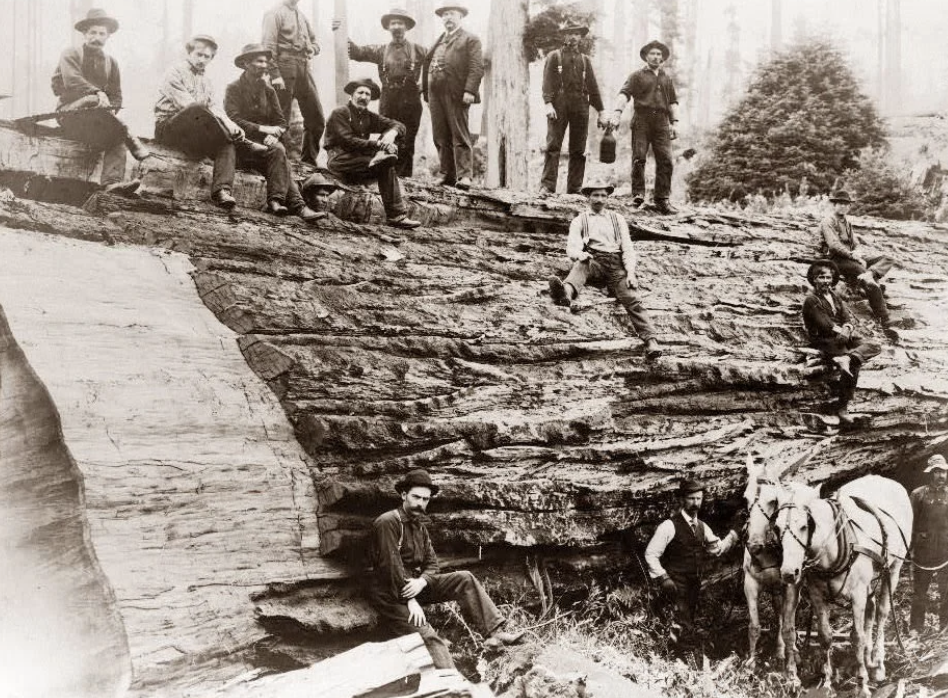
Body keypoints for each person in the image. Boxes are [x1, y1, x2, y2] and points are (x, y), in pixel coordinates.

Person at [368, 469, 522, 669]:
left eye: (425, 499)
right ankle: (451, 684)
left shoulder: (419, 527)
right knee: (429, 637)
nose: (420, 503)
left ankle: (496, 634)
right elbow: (390, 567)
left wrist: (422, 581)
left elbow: (432, 564)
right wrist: (410, 600)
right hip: (388, 593)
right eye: (416, 497)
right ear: (403, 495)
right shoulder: (388, 522)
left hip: (413, 585)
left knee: (464, 578)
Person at [547, 179, 662, 360]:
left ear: (607, 198)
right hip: (594, 261)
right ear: (588, 197)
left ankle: (651, 342)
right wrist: (579, 255)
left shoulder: (618, 219)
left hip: (616, 265)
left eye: (603, 195)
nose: (599, 199)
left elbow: (628, 248)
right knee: (581, 265)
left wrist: (631, 273)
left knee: (632, 298)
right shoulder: (580, 220)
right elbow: (572, 247)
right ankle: (565, 293)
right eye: (595, 195)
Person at [154, 34, 269, 210]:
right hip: (169, 127)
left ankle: (222, 192)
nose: (202, 60)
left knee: (227, 143)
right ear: (189, 52)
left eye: (207, 57)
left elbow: (215, 107)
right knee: (197, 109)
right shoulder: (174, 72)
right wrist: (221, 121)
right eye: (198, 54)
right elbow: (188, 107)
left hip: (194, 132)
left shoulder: (206, 82)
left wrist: (231, 125)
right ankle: (245, 144)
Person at [52, 8, 151, 195]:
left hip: (96, 120)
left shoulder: (111, 63)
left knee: (118, 135)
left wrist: (111, 109)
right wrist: (97, 93)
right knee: (91, 99)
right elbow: (72, 80)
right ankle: (133, 141)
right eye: (92, 33)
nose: (96, 37)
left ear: (107, 37)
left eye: (101, 33)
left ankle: (112, 183)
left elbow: (116, 95)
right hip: (70, 114)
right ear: (84, 33)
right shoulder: (71, 53)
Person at [224, 43, 324, 223]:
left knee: (278, 150)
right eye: (259, 61)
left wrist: (275, 134)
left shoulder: (268, 91)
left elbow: (281, 121)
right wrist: (263, 129)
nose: (264, 65)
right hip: (241, 146)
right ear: (246, 64)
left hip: (264, 148)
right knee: (281, 157)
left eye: (266, 62)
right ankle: (298, 207)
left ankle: (277, 202)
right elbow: (233, 119)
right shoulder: (233, 88)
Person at [644, 477, 740, 648]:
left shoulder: (703, 527)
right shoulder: (669, 526)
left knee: (687, 621)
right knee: (680, 623)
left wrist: (734, 535)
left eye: (699, 499)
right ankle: (678, 658)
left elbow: (717, 549)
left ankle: (678, 657)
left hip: (694, 584)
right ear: (682, 500)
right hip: (675, 583)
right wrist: (663, 578)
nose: (695, 503)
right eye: (691, 498)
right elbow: (651, 554)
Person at [338, 8, 427, 178]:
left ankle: (405, 179)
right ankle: (387, 176)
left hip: (411, 99)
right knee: (387, 135)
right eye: (393, 23)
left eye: (400, 23)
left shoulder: (420, 50)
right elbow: (356, 52)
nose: (396, 26)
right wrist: (341, 32)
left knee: (407, 140)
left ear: (407, 26)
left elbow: (434, 65)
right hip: (388, 98)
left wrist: (425, 85)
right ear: (388, 27)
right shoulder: (380, 50)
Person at [325, 78, 421, 229]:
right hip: (340, 160)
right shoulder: (340, 113)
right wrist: (378, 144)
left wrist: (393, 133)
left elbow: (400, 125)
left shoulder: (368, 116)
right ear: (351, 94)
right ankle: (396, 214)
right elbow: (347, 141)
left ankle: (397, 216)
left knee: (386, 164)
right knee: (384, 162)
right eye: (360, 93)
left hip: (359, 163)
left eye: (367, 94)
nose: (363, 97)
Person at [801, 260, 881, 422]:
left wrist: (848, 329)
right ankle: (842, 406)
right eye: (821, 277)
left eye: (828, 277)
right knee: (855, 364)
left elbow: (847, 318)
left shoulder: (835, 297)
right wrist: (843, 332)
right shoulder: (811, 300)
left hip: (843, 335)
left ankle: (847, 357)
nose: (825, 281)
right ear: (814, 280)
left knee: (874, 345)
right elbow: (825, 324)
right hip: (825, 339)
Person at [608, 40, 679, 214]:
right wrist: (617, 113)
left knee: (666, 160)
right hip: (642, 120)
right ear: (646, 56)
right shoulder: (636, 76)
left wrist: (675, 123)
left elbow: (672, 102)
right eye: (653, 54)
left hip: (662, 122)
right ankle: (637, 196)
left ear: (662, 58)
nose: (656, 57)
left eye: (659, 54)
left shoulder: (666, 78)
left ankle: (662, 200)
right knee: (639, 158)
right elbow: (624, 94)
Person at [422, 3, 484, 191]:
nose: (447, 17)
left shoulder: (470, 39)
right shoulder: (438, 40)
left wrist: (470, 91)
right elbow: (427, 65)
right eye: (444, 15)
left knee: (460, 134)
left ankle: (464, 175)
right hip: (435, 94)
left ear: (460, 17)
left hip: (456, 93)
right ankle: (445, 173)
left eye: (451, 14)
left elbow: (476, 67)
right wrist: (425, 90)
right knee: (440, 135)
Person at [539, 22, 604, 196]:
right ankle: (547, 186)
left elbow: (593, 87)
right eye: (570, 34)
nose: (573, 37)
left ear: (581, 37)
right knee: (553, 145)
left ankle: (574, 189)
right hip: (559, 103)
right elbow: (547, 82)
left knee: (578, 149)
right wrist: (547, 103)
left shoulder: (585, 60)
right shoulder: (555, 56)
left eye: (577, 34)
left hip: (581, 105)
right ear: (564, 36)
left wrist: (601, 110)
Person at [819, 190, 895, 329]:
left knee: (887, 258)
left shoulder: (847, 222)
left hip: (850, 256)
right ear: (834, 205)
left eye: (846, 204)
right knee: (861, 270)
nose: (843, 207)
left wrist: (858, 252)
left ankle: (870, 274)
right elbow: (833, 245)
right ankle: (884, 317)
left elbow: (856, 243)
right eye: (840, 204)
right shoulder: (828, 221)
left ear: (849, 206)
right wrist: (853, 256)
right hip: (834, 259)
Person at [262, 0, 325, 165]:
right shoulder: (274, 13)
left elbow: (315, 42)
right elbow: (268, 47)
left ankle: (308, 162)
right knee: (280, 118)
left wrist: (313, 48)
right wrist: (275, 74)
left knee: (316, 117)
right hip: (284, 65)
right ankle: (277, 161)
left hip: (303, 67)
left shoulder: (301, 16)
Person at [910, 454, 948, 634]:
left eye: (943, 472)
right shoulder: (918, 495)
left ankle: (945, 627)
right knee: (919, 593)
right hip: (923, 551)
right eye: (937, 472)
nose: (941, 476)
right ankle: (916, 628)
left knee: (947, 592)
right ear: (930, 474)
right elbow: (910, 523)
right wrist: (910, 548)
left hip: (945, 551)